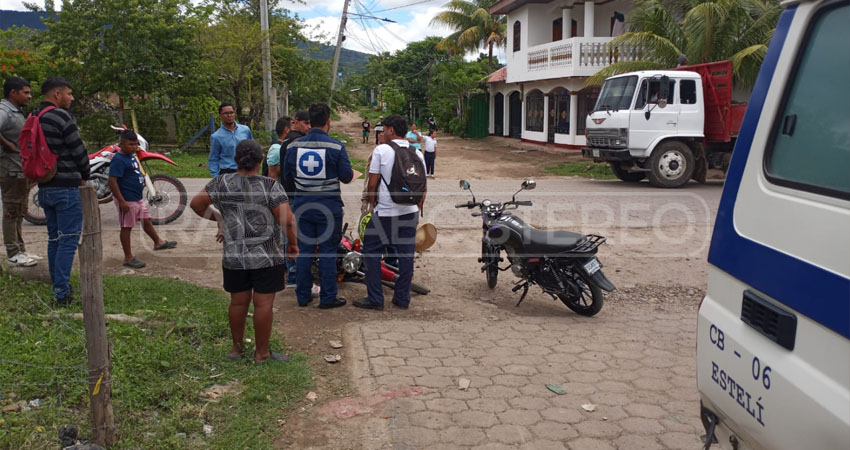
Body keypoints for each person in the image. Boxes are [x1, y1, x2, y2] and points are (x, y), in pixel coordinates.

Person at [190, 140, 298, 364]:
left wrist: (220, 218)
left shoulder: (222, 182)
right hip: (267, 257)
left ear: (236, 159)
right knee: (263, 304)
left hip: (234, 256)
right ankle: (262, 353)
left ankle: (237, 349)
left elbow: (196, 204)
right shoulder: (270, 186)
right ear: (261, 161)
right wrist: (294, 245)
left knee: (238, 303)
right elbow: (287, 220)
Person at [283, 102, 353, 309]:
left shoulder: (294, 146)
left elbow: (287, 174)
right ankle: (328, 297)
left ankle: (302, 296)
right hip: (329, 208)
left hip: (303, 206)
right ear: (328, 122)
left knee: (304, 251)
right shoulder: (336, 146)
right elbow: (347, 176)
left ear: (309, 122)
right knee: (328, 252)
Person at [355, 114, 426, 311]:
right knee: (405, 255)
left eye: (384, 129)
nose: (382, 133)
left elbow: (372, 183)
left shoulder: (381, 150)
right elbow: (423, 186)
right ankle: (402, 299)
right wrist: (416, 209)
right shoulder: (417, 153)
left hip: (385, 212)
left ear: (391, 130)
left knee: (371, 252)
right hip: (410, 212)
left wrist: (373, 206)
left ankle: (376, 299)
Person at [36, 77, 90, 306]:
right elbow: (78, 149)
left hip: (45, 185)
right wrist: (85, 174)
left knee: (54, 239)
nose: (72, 98)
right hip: (66, 186)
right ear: (57, 94)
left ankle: (58, 284)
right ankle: (61, 293)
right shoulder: (60, 116)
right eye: (69, 93)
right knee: (68, 240)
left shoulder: (35, 115)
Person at [107, 130, 176, 269]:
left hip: (137, 197)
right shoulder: (118, 159)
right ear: (121, 144)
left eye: (136, 144)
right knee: (126, 227)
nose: (134, 147)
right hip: (127, 199)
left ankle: (158, 242)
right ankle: (128, 257)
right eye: (130, 144)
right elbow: (112, 181)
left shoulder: (132, 156)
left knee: (146, 219)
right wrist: (121, 201)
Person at [0, 76, 39, 267]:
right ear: (13, 93)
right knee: (11, 211)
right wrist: (6, 144)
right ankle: (13, 253)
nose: (29, 96)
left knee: (19, 211)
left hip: (19, 169)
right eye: (25, 92)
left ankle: (20, 250)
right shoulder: (4, 110)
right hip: (10, 170)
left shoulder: (17, 111)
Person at [270, 109, 311, 288]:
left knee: (291, 233)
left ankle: (292, 273)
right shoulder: (297, 141)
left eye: (311, 123)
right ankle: (294, 275)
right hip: (295, 194)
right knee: (295, 235)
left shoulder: (286, 141)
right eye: (306, 123)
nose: (309, 127)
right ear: (296, 122)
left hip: (288, 194)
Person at [208, 102, 253, 178]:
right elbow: (213, 159)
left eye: (231, 112)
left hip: (245, 171)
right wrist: (216, 178)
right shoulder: (216, 136)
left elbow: (253, 149)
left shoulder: (245, 130)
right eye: (226, 113)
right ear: (220, 116)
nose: (229, 115)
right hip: (227, 173)